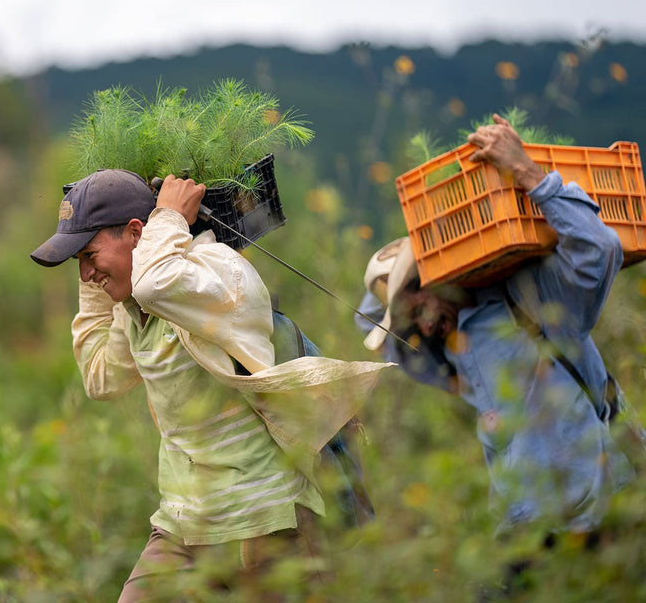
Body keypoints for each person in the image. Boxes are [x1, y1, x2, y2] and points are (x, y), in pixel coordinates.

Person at [32, 169, 387, 601]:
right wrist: (97, 283)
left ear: (136, 231)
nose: (85, 272)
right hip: (184, 528)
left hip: (265, 524)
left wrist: (166, 216)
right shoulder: (134, 311)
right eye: (78, 262)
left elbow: (155, 282)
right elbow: (100, 378)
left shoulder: (219, 272)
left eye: (89, 255)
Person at [357, 114, 634, 544]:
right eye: (406, 315)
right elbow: (368, 323)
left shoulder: (529, 298)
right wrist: (403, 263)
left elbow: (600, 249)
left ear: (435, 273)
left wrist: (526, 173)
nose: (421, 321)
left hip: (593, 518)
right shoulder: (450, 346)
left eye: (416, 299)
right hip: (524, 526)